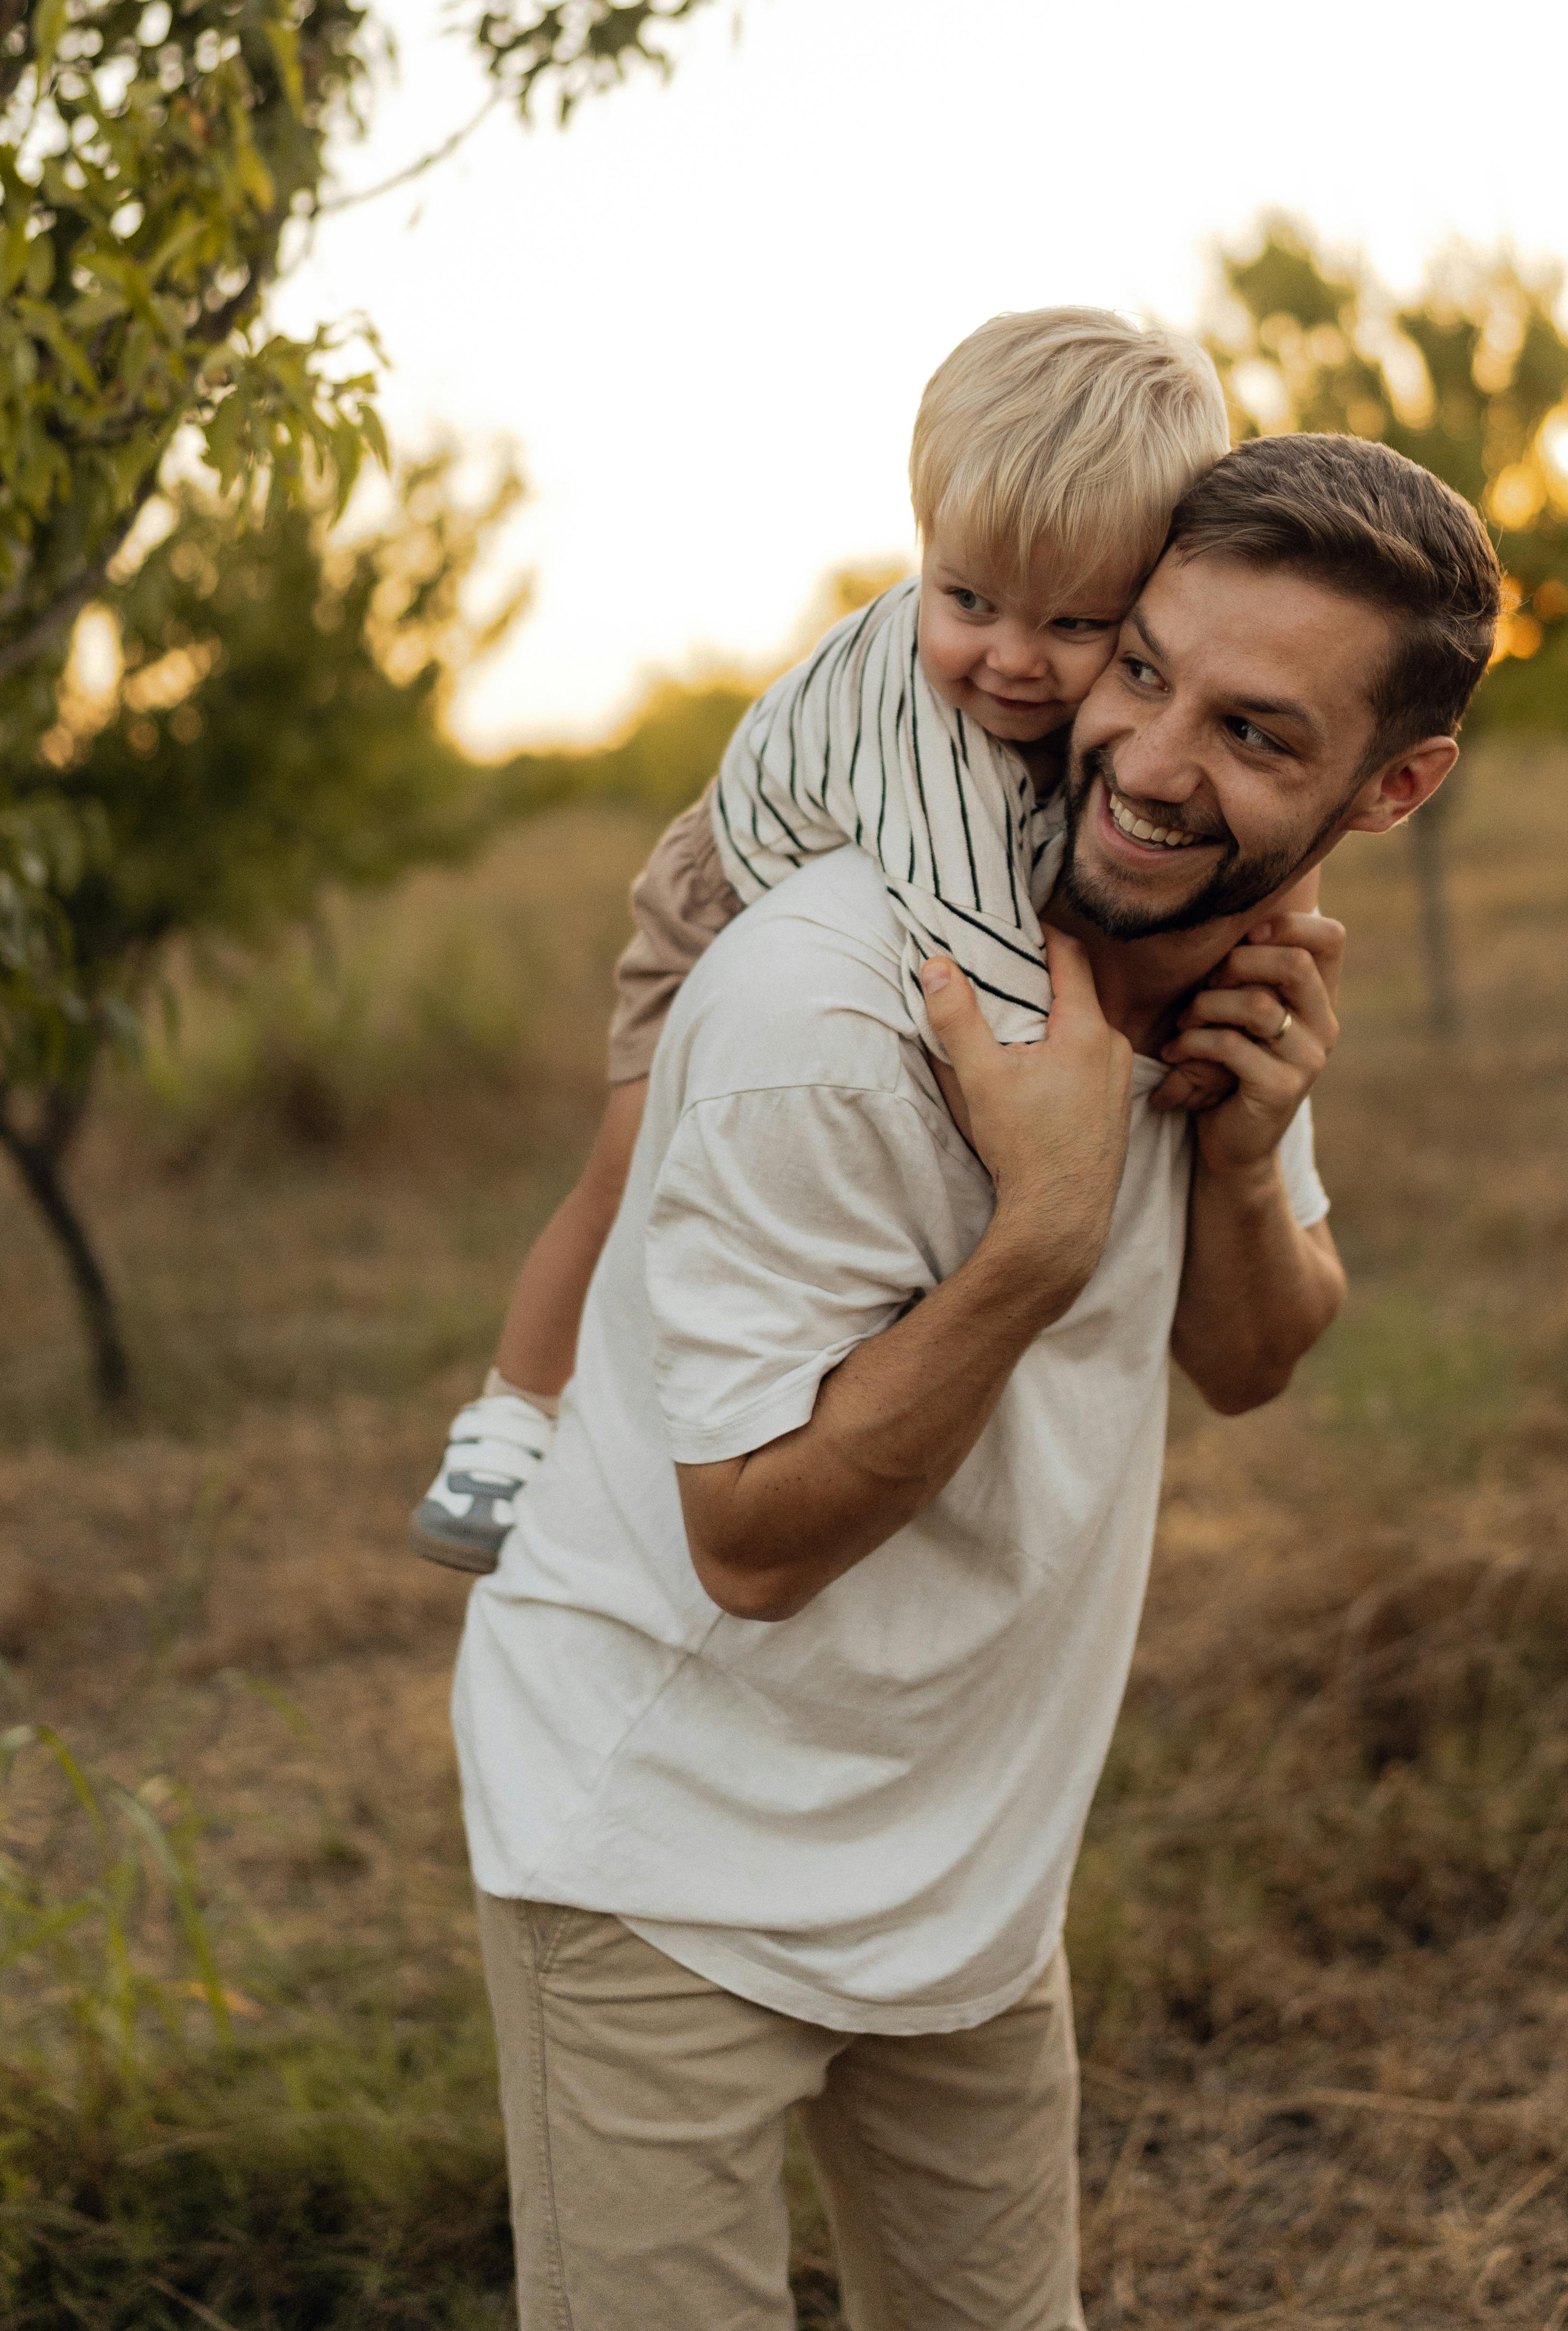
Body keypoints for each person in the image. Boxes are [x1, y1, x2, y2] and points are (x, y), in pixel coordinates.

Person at [451, 429, 1505, 2327]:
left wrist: (1247, 1165)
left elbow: (1254, 1360)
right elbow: (754, 1546)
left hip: (971, 1871)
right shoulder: (822, 1011)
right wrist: (1040, 1234)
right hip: (661, 1854)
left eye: (1256, 734)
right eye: (1143, 670)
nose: (1151, 759)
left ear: (1394, 781)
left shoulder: (1228, 956)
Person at [411, 304, 1244, 1573]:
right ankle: (509, 1419)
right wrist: (1095, 1104)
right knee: (624, 1171)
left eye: (1074, 626)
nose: (1012, 659)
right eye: (968, 599)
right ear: (925, 546)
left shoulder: (1065, 704)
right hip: (718, 898)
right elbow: (988, 971)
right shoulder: (924, 733)